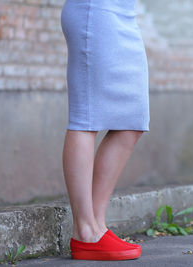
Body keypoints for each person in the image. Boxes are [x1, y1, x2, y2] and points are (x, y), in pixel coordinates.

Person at [60, 0, 150, 261]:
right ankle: (85, 231)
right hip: (94, 12)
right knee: (86, 118)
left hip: (123, 14)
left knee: (133, 120)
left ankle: (96, 225)